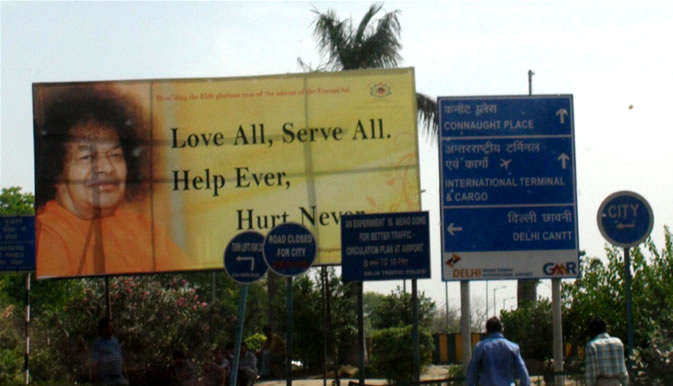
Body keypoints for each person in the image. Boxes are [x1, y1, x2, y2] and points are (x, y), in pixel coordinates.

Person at [33, 84, 186, 277]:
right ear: (56, 170)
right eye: (87, 157)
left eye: (115, 155)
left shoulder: (140, 228)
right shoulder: (48, 236)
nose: (106, 167)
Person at [465, 317, 530, 386]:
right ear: (502, 329)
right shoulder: (513, 347)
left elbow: (472, 371)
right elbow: (522, 370)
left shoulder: (480, 347)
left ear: (487, 330)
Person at [584, 319, 629, 386]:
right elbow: (622, 368)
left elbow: (591, 372)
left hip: (601, 382)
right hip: (617, 382)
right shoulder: (618, 342)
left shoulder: (592, 345)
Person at [90, 317, 129, 385]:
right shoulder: (97, 344)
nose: (112, 329)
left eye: (112, 327)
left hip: (119, 379)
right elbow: (94, 365)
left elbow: (121, 359)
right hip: (106, 380)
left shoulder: (115, 341)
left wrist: (126, 377)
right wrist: (95, 382)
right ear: (103, 329)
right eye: (110, 327)